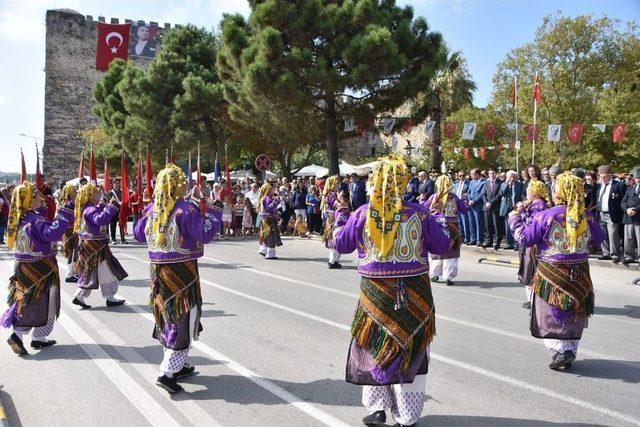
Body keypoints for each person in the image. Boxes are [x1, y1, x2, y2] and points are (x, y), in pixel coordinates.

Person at [333, 154, 451, 427]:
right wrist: (440, 219)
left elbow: (339, 244)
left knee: (376, 345)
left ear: (375, 182)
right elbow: (442, 246)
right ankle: (408, 416)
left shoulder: (362, 213)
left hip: (376, 295)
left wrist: (340, 214)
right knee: (412, 348)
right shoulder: (420, 214)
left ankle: (377, 408)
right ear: (403, 182)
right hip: (414, 295)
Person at [134, 164, 221, 394]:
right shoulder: (185, 210)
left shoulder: (152, 209)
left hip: (158, 273)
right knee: (182, 319)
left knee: (167, 315)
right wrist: (213, 210)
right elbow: (204, 233)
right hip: (182, 274)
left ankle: (177, 366)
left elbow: (137, 233)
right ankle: (167, 373)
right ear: (179, 186)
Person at [509, 172, 604, 370]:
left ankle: (563, 351)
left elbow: (525, 238)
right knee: (573, 308)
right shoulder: (585, 215)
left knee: (553, 311)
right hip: (579, 273)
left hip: (552, 274)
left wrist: (515, 220)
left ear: (559, 192)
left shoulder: (548, 215)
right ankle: (568, 349)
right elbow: (598, 238)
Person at [2, 182, 74, 355]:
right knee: (41, 302)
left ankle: (36, 337)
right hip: (42, 269)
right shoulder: (35, 221)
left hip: (23, 268)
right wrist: (63, 215)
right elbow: (52, 234)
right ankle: (20, 335)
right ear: (28, 200)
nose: (40, 198)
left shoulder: (20, 219)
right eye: (36, 196)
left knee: (26, 299)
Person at [72, 183, 128, 309]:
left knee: (92, 272)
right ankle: (109, 297)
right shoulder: (89, 209)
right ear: (90, 196)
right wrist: (112, 207)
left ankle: (80, 295)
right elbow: (100, 220)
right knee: (104, 271)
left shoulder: (88, 207)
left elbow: (97, 213)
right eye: (97, 193)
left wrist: (104, 205)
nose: (99, 195)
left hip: (94, 246)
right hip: (94, 248)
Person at [423, 174, 469, 286]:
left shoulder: (433, 197)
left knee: (437, 250)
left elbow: (424, 208)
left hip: (437, 226)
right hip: (452, 226)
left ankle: (435, 274)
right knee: (451, 251)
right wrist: (466, 202)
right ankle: (448, 276)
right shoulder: (454, 197)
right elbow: (464, 210)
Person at [514, 180, 550, 309]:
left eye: (529, 189)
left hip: (531, 243)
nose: (527, 192)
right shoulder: (532, 204)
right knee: (528, 269)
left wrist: (519, 213)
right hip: (528, 241)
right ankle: (532, 300)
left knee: (530, 270)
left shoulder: (538, 206)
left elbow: (531, 222)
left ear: (535, 191)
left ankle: (534, 301)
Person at [596, 165, 625, 263]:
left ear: (610, 175)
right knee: (602, 233)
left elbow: (623, 200)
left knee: (613, 234)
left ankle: (614, 254)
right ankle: (606, 253)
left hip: (612, 214)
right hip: (601, 213)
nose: (602, 179)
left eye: (604, 177)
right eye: (600, 177)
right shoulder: (600, 186)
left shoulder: (619, 185)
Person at [58, 184, 80, 283]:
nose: (76, 191)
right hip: (70, 231)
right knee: (73, 252)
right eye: (74, 190)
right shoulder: (68, 205)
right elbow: (63, 218)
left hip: (72, 230)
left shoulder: (70, 203)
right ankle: (70, 274)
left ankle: (73, 272)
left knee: (74, 252)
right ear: (70, 193)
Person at [499, 171, 524, 250]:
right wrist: (507, 185)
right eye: (510, 177)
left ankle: (516, 244)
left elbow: (521, 195)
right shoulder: (503, 184)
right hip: (507, 208)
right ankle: (509, 243)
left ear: (516, 177)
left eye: (513, 176)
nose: (511, 178)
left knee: (516, 226)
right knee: (508, 227)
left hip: (516, 208)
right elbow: (502, 193)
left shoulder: (520, 184)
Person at [257, 183, 282, 259]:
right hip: (269, 220)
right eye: (270, 189)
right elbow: (268, 208)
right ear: (266, 191)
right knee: (271, 236)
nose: (272, 190)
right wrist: (275, 202)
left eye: (272, 189)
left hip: (268, 220)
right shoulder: (266, 198)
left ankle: (264, 250)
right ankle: (269, 254)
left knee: (268, 236)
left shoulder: (267, 198)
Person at [481, 168, 503, 249]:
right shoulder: (486, 183)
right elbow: (483, 194)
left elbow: (499, 195)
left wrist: (491, 203)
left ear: (496, 173)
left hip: (495, 207)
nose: (491, 175)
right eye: (490, 173)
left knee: (496, 225)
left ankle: (497, 242)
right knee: (488, 225)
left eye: (493, 173)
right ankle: (489, 241)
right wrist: (486, 202)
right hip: (486, 207)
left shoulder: (500, 183)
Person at [322, 175, 341, 268]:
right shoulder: (330, 195)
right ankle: (332, 261)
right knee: (335, 239)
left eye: (338, 182)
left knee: (339, 239)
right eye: (336, 182)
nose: (337, 183)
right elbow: (328, 208)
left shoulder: (335, 194)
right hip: (333, 219)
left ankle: (335, 260)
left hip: (337, 218)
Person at [621, 168, 640, 264]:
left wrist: (635, 210)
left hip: (638, 216)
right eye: (636, 178)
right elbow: (623, 202)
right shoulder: (630, 189)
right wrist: (627, 209)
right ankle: (629, 256)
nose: (638, 179)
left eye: (639, 177)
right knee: (628, 237)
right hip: (628, 217)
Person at [467, 169, 486, 246]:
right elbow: (468, 192)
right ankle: (473, 239)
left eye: (472, 174)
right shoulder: (471, 182)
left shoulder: (484, 182)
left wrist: (474, 201)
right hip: (470, 205)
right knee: (471, 222)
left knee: (479, 223)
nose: (471, 175)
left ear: (477, 174)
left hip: (478, 205)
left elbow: (482, 194)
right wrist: (469, 200)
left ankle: (479, 239)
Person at [107, 178, 126, 244]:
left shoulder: (122, 192)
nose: (117, 185)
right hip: (113, 211)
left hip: (121, 210)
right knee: (113, 225)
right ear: (113, 184)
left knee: (121, 225)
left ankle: (123, 239)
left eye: (118, 183)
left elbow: (124, 200)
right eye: (116, 183)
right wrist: (112, 200)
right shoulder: (110, 192)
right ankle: (113, 239)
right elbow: (109, 202)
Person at [453, 170, 470, 244]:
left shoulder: (468, 183)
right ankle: (461, 237)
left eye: (463, 175)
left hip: (463, 204)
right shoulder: (456, 184)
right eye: (460, 176)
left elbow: (468, 194)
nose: (461, 177)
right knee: (459, 222)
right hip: (456, 204)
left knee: (465, 222)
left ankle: (467, 238)